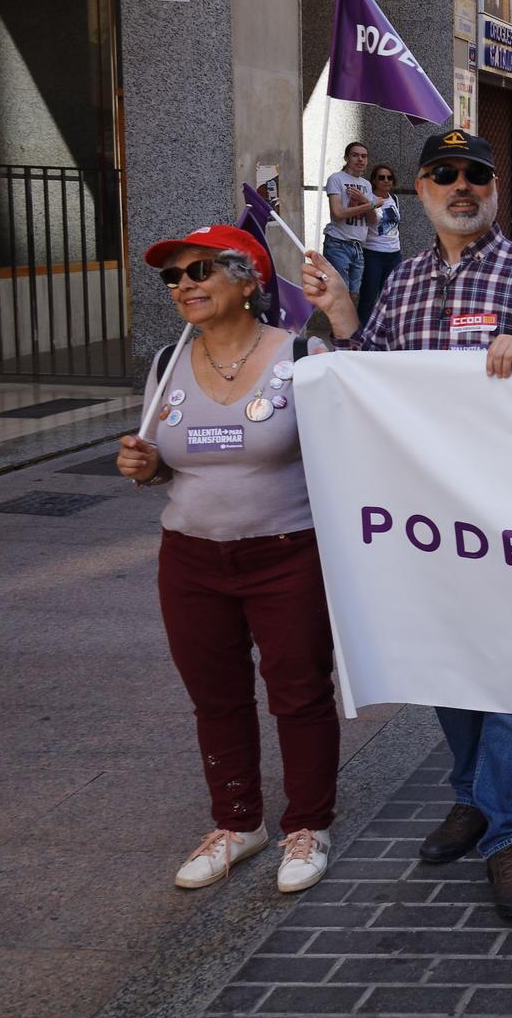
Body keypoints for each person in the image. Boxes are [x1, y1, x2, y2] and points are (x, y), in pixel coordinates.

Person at [299, 128, 512, 920]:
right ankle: (472, 797)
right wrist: (346, 316)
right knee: (452, 669)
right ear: (420, 191)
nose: (462, 186)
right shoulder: (404, 283)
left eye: (475, 175)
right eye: (444, 175)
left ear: (495, 188)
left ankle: (509, 833)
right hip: (432, 526)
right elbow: (373, 382)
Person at [116, 225, 337, 896]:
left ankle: (308, 823)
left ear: (249, 281)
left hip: (287, 552)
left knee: (298, 692)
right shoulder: (166, 361)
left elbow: (347, 451)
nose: (184, 285)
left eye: (201, 270)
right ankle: (238, 822)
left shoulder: (301, 352)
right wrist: (143, 465)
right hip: (190, 557)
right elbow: (157, 461)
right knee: (214, 695)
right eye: (174, 277)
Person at [321, 141, 377, 298]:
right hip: (338, 244)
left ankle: (349, 324)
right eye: (355, 155)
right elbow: (338, 213)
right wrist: (371, 203)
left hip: (358, 246)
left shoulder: (366, 184)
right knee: (340, 297)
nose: (360, 159)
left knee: (353, 296)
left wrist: (366, 201)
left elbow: (372, 220)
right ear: (346, 158)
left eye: (364, 156)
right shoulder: (336, 178)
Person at [358, 164, 403, 324]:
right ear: (374, 180)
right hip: (373, 253)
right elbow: (372, 220)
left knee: (392, 296)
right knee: (369, 296)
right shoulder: (368, 198)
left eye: (389, 177)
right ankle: (362, 334)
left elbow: (396, 227)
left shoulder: (394, 198)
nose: (386, 181)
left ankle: (386, 331)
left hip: (394, 254)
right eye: (381, 177)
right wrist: (367, 202)